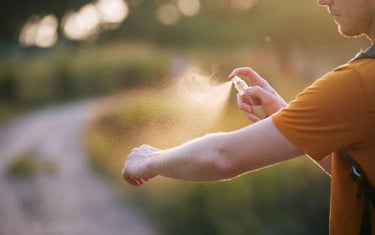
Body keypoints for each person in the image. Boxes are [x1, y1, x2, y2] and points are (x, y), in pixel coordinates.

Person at [122, 0, 375, 234]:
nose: (323, 0)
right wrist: (283, 117)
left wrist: (150, 159)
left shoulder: (359, 82)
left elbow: (223, 156)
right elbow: (357, 172)